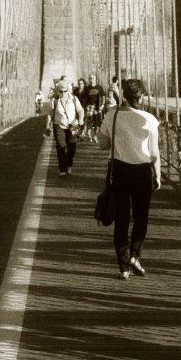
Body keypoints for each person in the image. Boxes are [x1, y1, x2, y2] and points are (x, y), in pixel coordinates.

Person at [98, 78, 161, 280]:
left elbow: (102, 145)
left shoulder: (112, 116)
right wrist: (158, 174)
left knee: (122, 219)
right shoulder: (150, 119)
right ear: (141, 96)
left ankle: (124, 267)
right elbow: (154, 153)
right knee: (141, 216)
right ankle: (135, 255)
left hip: (120, 172)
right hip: (143, 172)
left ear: (123, 95)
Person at [45, 79, 84, 176]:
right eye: (60, 91)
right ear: (58, 91)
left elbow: (80, 110)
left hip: (72, 126)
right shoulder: (55, 100)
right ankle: (62, 169)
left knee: (72, 147)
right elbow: (50, 114)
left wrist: (81, 119)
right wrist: (47, 126)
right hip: (59, 126)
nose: (62, 93)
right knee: (61, 147)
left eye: (64, 91)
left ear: (68, 90)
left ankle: (69, 164)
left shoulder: (74, 98)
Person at [84, 73, 105, 142]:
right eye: (90, 78)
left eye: (93, 78)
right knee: (89, 122)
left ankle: (95, 136)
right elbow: (85, 99)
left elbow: (103, 97)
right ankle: (89, 136)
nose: (91, 79)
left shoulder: (99, 87)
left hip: (97, 107)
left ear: (95, 79)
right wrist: (86, 107)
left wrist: (102, 106)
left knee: (97, 122)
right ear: (89, 79)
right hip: (90, 107)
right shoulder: (87, 88)